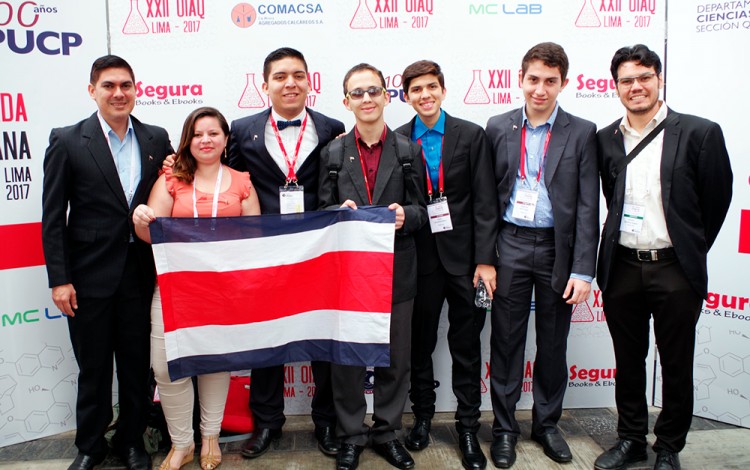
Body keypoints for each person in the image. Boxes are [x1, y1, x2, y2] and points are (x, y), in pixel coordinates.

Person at [593, 44, 733, 470]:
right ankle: (631, 438)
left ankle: (669, 445)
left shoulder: (699, 132)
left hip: (674, 268)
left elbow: (716, 200)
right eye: (626, 80)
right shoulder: (606, 139)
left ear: (659, 80)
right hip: (622, 267)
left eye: (644, 77)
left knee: (675, 362)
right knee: (628, 361)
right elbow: (610, 199)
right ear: (615, 86)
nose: (636, 87)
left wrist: (688, 250)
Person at [41, 55, 173, 470]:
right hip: (87, 279)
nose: (119, 93)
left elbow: (172, 189)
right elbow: (52, 218)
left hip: (139, 276)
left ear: (137, 89)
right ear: (92, 90)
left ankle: (131, 442)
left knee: (136, 369)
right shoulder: (67, 140)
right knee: (93, 369)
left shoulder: (156, 139)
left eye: (126, 85)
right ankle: (90, 446)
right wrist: (60, 279)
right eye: (109, 85)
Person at [226, 47, 346, 460]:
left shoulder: (333, 128)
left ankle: (327, 422)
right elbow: (226, 182)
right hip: (265, 255)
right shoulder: (240, 131)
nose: (289, 83)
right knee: (266, 339)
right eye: (280, 76)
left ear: (309, 82)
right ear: (265, 84)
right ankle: (266, 424)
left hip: (318, 254)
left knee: (323, 340)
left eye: (298, 75)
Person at [484, 42, 599, 468]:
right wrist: (485, 257)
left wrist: (583, 269)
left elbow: (589, 205)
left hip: (558, 249)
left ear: (564, 84)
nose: (540, 89)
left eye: (551, 81)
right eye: (533, 79)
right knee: (507, 341)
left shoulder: (581, 131)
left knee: (553, 343)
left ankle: (547, 425)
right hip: (510, 244)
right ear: (520, 79)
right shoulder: (497, 126)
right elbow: (485, 200)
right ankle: (504, 429)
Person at [133, 107, 261, 470]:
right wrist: (141, 218)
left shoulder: (241, 182)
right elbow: (147, 233)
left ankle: (209, 438)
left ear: (225, 140)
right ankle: (181, 443)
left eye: (213, 134)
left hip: (224, 292)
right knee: (165, 367)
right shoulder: (171, 180)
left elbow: (255, 238)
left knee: (215, 364)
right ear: (188, 140)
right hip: (175, 289)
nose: (205, 140)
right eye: (197, 134)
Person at [318, 63, 427, 470]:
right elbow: (318, 210)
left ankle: (387, 432)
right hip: (347, 274)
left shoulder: (407, 151)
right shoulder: (332, 152)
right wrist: (335, 211)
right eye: (357, 93)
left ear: (386, 97)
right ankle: (351, 434)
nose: (366, 99)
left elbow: (424, 210)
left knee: (395, 357)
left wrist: (407, 216)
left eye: (373, 91)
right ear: (346, 101)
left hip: (397, 268)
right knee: (346, 359)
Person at [395, 60, 498, 470]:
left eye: (431, 86)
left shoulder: (470, 135)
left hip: (466, 261)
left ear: (443, 90)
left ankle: (468, 427)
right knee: (419, 344)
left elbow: (486, 202)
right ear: (406, 95)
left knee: (467, 345)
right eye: (416, 89)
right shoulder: (399, 140)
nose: (425, 95)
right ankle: (421, 418)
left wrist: (485, 261)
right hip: (418, 259)